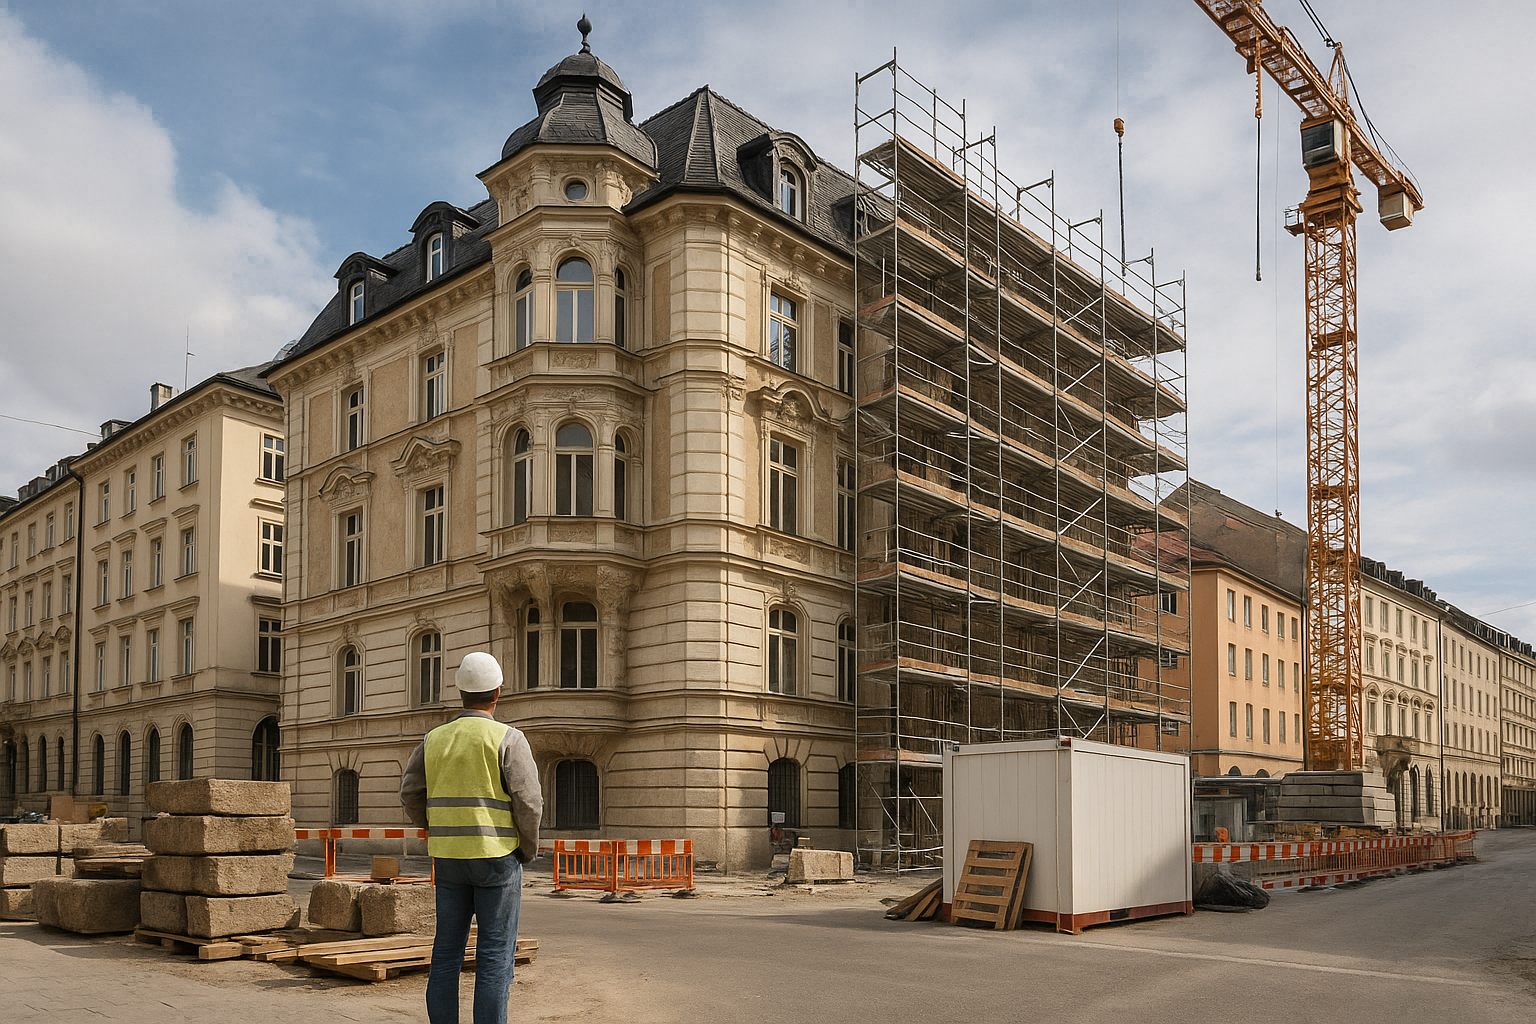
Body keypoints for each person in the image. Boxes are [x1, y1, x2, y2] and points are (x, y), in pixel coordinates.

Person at [401, 652, 542, 1024]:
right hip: (496, 858)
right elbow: (529, 802)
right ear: (498, 692)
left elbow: (410, 792)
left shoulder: (433, 739)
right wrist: (526, 848)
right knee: (495, 955)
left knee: (446, 953)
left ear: (460, 692)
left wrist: (436, 828)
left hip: (448, 859)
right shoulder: (509, 738)